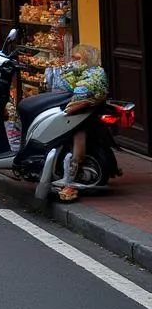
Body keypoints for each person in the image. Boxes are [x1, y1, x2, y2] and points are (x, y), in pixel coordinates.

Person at [52, 44, 109, 203]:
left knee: (77, 148)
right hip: (88, 111)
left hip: (82, 115)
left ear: (86, 59)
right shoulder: (93, 71)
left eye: (77, 58)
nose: (73, 61)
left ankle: (70, 182)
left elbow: (78, 97)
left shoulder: (92, 78)